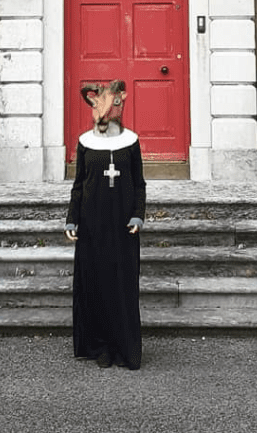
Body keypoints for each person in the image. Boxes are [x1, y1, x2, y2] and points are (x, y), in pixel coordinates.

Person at [65, 78, 146, 370]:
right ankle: (99, 346)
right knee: (96, 284)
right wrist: (72, 218)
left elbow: (139, 184)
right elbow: (78, 185)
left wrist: (138, 214)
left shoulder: (131, 141)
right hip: (92, 226)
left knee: (121, 285)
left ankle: (124, 347)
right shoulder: (86, 142)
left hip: (123, 227)